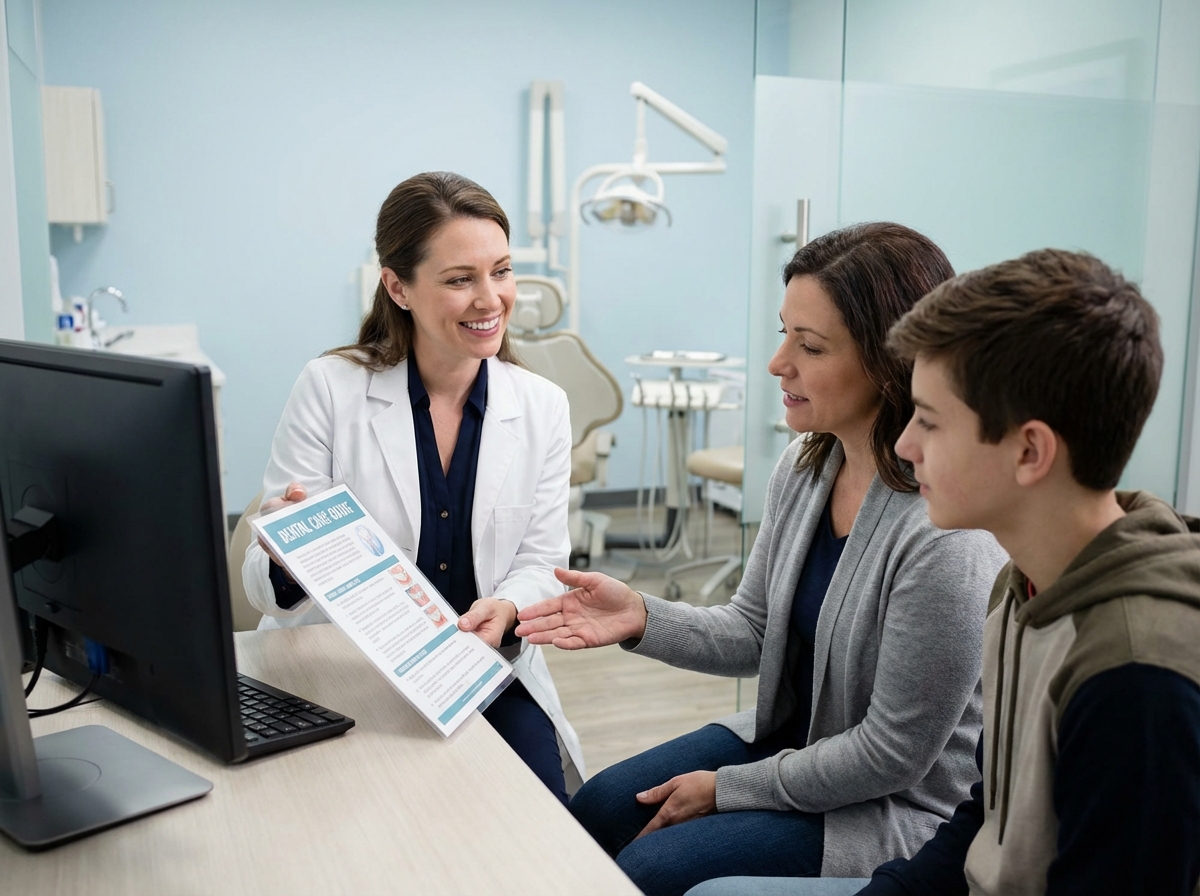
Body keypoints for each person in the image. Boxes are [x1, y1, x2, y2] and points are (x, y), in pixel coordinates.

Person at [515, 222, 1008, 894]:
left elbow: (891, 757)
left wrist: (727, 789)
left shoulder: (943, 532)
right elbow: (754, 630)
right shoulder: (806, 469)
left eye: (809, 345)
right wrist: (638, 616)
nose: (778, 362)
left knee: (655, 870)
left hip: (891, 802)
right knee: (600, 808)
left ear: (891, 360)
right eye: (784, 333)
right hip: (796, 742)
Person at [692, 249, 1200, 896]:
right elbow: (979, 826)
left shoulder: (1135, 679)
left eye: (928, 422)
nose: (903, 446)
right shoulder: (1024, 587)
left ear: (1029, 451)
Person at [243, 171, 583, 804]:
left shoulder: (542, 406)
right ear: (397, 285)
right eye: (460, 279)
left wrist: (508, 608)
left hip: (484, 668)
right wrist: (287, 559)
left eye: (502, 272)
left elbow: (541, 560)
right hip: (347, 670)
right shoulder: (329, 387)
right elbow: (263, 589)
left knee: (544, 820)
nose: (491, 300)